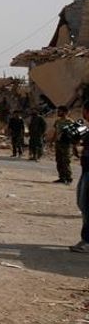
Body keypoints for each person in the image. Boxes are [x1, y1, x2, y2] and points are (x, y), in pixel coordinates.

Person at [71, 103, 89, 253]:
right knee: (82, 203)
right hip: (86, 170)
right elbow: (81, 136)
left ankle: (87, 240)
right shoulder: (86, 129)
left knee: (86, 204)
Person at [52, 106, 76, 185]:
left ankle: (68, 178)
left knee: (66, 161)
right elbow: (56, 131)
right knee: (59, 160)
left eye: (60, 111)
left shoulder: (70, 122)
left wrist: (74, 145)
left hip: (66, 144)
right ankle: (61, 177)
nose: (58, 112)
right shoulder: (57, 121)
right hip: (58, 143)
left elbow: (73, 134)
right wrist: (52, 140)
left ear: (65, 112)